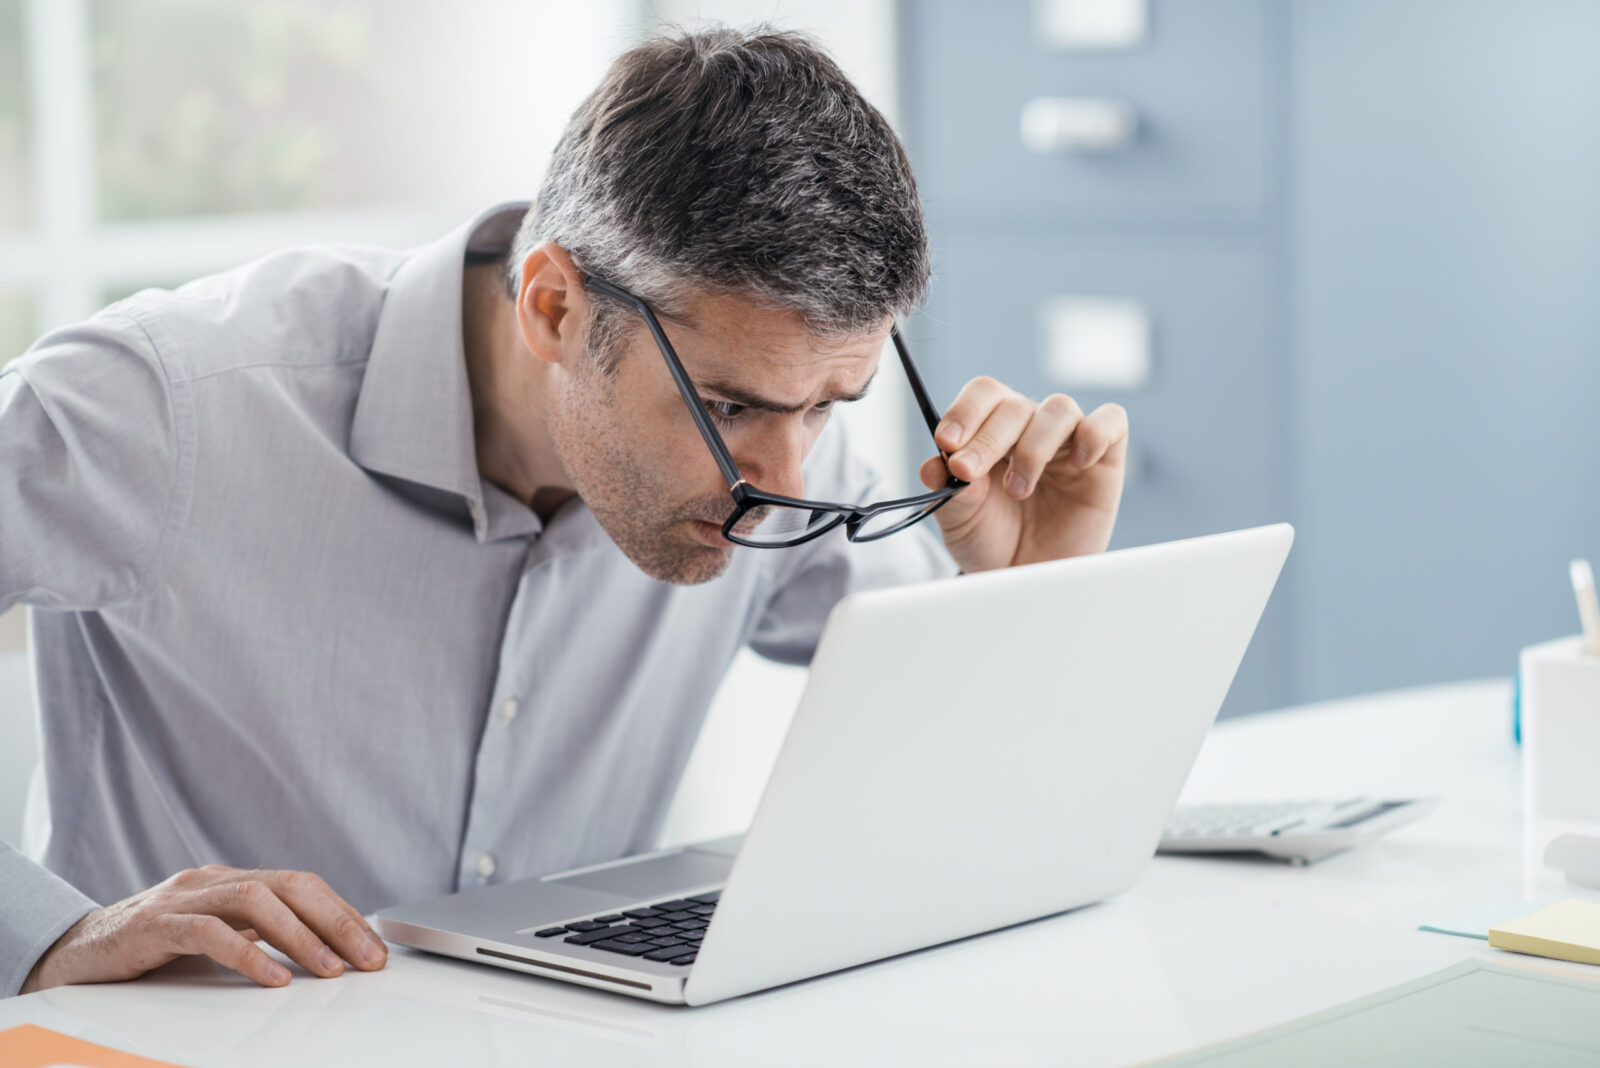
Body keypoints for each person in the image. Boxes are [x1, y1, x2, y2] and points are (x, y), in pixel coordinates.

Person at [0, 27, 1127, 998]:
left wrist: (1027, 587)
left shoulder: (775, 474)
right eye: (730, 405)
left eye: (829, 408)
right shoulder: (170, 405)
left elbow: (971, 819)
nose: (786, 480)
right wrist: (53, 931)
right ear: (552, 307)